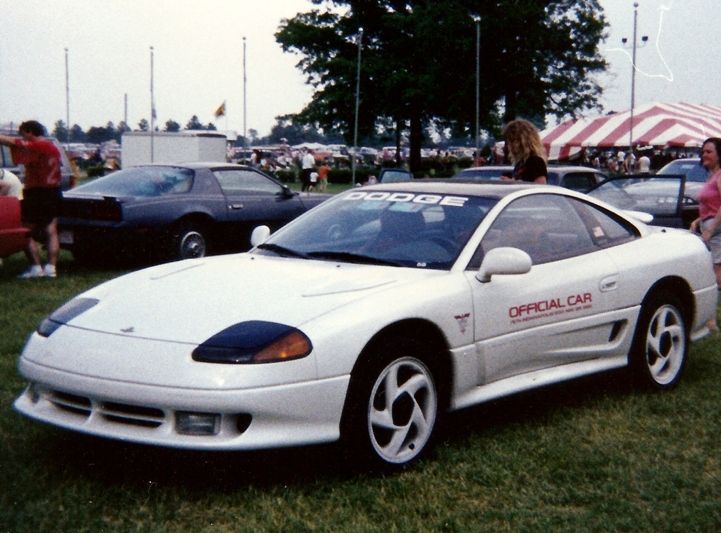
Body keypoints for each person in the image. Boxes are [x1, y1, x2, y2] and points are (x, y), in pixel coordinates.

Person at [0, 121, 62, 278]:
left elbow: (10, 142)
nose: (22, 137)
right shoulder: (53, 148)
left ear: (29, 132)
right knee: (51, 230)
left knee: (25, 230)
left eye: (23, 133)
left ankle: (36, 267)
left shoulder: (37, 146)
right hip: (53, 191)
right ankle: (51, 268)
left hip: (37, 192)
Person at [690, 137, 721, 289]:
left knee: (718, 271)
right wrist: (697, 221)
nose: (704, 155)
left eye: (709, 152)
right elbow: (713, 206)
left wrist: (710, 230)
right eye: (703, 152)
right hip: (710, 228)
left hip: (716, 231)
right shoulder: (712, 177)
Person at [502, 119, 548, 184]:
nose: (510, 145)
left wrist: (512, 182)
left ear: (523, 141)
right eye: (509, 141)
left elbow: (540, 187)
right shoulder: (520, 163)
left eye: (513, 141)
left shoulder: (536, 162)